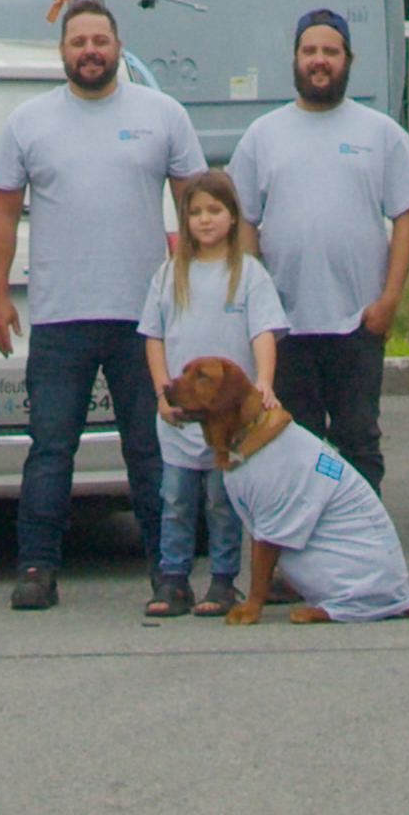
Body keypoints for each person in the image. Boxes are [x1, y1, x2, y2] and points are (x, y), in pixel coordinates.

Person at [0, 0, 204, 614]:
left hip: (147, 319)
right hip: (58, 316)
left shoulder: (164, 115)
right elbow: (1, 217)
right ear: (62, 50)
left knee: (152, 451)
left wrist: (202, 295)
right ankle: (36, 568)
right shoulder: (29, 122)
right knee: (51, 449)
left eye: (100, 40)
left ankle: (169, 571)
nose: (89, 51)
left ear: (119, 48)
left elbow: (199, 208)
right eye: (78, 42)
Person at [222, 5, 409, 504]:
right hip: (288, 326)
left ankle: (363, 548)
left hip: (357, 324)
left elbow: (406, 218)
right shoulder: (263, 135)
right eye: (310, 51)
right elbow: (244, 218)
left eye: (330, 52)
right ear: (294, 59)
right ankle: (305, 557)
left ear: (347, 60)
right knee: (296, 447)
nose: (319, 61)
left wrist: (387, 302)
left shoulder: (380, 133)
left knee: (359, 444)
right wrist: (260, 299)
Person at [157, 354, 409, 622]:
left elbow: (268, 535)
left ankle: (335, 609)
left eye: (200, 377)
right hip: (364, 569)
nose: (181, 383)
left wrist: (253, 603)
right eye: (186, 374)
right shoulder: (252, 448)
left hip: (368, 574)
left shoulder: (271, 453)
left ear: (230, 395)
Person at [137, 170, 269, 616]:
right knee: (174, 498)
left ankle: (223, 581)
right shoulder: (169, 274)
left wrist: (265, 381)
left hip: (225, 421)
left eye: (215, 211)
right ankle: (172, 580)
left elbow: (264, 332)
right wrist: (162, 390)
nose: (205, 221)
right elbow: (153, 335)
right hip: (178, 417)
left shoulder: (247, 273)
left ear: (233, 217)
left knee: (222, 500)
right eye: (195, 213)